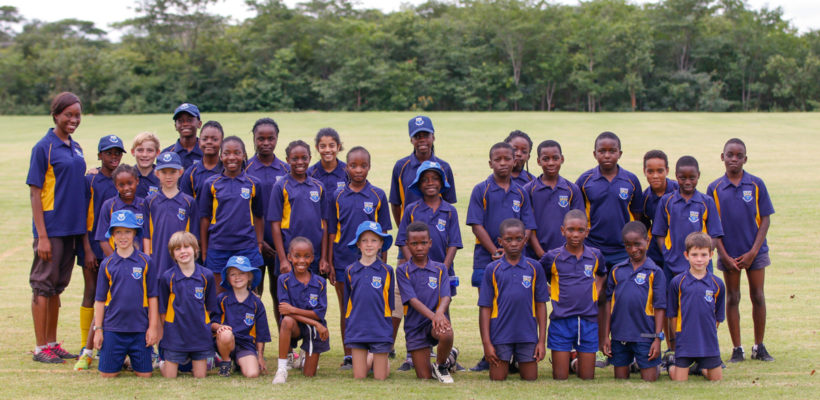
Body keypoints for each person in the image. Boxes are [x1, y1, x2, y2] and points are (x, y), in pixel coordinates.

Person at [27, 92, 86, 363]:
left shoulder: (76, 147)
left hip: (72, 230)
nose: (73, 119)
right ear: (56, 115)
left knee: (57, 288)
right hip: (51, 230)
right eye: (68, 114)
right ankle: (41, 349)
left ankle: (52, 343)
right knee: (42, 286)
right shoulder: (44, 147)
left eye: (77, 115)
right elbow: (35, 193)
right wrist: (42, 236)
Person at [467, 142, 536, 371]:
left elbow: (528, 226)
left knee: (516, 306)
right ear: (490, 163)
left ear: (515, 160)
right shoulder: (481, 189)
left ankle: (516, 356)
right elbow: (476, 224)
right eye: (498, 159)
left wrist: (514, 248)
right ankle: (491, 354)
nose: (504, 163)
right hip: (487, 259)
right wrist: (495, 251)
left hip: (518, 260)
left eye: (508, 158)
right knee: (490, 307)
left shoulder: (521, 191)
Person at [707, 138, 775, 362]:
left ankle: (759, 346)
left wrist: (754, 251)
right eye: (730, 155)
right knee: (733, 297)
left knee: (758, 296)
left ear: (745, 159)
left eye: (738, 156)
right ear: (722, 157)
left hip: (755, 251)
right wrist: (724, 255)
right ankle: (738, 348)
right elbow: (713, 226)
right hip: (729, 254)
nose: (734, 159)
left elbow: (765, 219)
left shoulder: (756, 184)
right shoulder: (715, 188)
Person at [326, 146, 391, 369]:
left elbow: (384, 232)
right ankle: (349, 353)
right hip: (344, 260)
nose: (358, 170)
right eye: (353, 165)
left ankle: (376, 349)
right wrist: (330, 261)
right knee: (348, 307)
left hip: (373, 263)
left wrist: (383, 262)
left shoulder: (377, 195)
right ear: (347, 167)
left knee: (373, 304)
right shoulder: (337, 195)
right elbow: (331, 232)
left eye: (363, 165)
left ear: (369, 167)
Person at [652, 156, 723, 355]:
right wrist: (666, 254)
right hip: (672, 265)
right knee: (671, 307)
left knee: (704, 307)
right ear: (676, 177)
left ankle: (707, 348)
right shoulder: (667, 201)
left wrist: (706, 257)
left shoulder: (706, 202)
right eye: (683, 178)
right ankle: (674, 349)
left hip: (700, 266)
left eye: (692, 177)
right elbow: (659, 232)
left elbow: (715, 234)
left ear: (698, 176)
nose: (687, 181)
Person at [74, 134, 124, 370]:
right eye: (108, 153)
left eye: (117, 153)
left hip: (119, 247)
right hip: (93, 247)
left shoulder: (125, 178)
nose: (113, 157)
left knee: (118, 295)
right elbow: (83, 215)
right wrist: (86, 249)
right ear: (99, 155)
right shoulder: (90, 180)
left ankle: (112, 342)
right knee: (93, 293)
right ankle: (87, 347)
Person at [478, 218, 548, 381]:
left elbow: (541, 305)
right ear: (500, 241)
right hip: (500, 334)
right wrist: (487, 344)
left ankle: (520, 360)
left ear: (525, 240)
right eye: (508, 240)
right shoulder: (492, 269)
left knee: (530, 378)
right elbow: (485, 308)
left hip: (527, 334)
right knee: (497, 379)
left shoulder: (534, 267)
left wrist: (541, 341)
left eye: (518, 239)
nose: (514, 243)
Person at [92, 210, 159, 378]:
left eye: (127, 231)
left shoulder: (145, 262)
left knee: (144, 375)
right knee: (108, 376)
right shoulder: (107, 264)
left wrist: (152, 327)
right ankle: (118, 359)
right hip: (113, 329)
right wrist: (99, 330)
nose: (123, 237)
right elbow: (100, 300)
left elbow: (152, 298)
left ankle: (130, 360)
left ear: (135, 233)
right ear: (112, 235)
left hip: (139, 330)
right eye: (118, 232)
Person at [541, 210, 607, 380]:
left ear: (587, 231)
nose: (575, 234)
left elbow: (602, 273)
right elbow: (537, 275)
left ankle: (575, 362)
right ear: (563, 231)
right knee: (560, 377)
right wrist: (551, 291)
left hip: (588, 321)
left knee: (587, 377)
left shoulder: (595, 255)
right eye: (571, 230)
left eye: (580, 230)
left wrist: (597, 291)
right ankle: (569, 362)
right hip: (561, 321)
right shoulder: (552, 257)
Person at [602, 221, 666, 381]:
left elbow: (660, 307)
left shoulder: (655, 272)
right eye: (628, 245)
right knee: (620, 379)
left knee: (650, 380)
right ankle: (632, 362)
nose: (633, 249)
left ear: (647, 241)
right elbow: (609, 305)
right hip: (620, 335)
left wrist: (657, 338)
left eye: (637, 244)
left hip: (646, 335)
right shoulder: (617, 271)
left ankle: (646, 363)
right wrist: (605, 336)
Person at [199, 136, 265, 286]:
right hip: (218, 247)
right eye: (227, 153)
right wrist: (205, 250)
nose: (232, 157)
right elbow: (204, 218)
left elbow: (259, 216)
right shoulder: (211, 184)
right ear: (221, 156)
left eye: (236, 153)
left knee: (248, 293)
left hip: (246, 246)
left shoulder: (254, 184)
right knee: (218, 294)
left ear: (243, 155)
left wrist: (259, 243)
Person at [397, 221, 456, 383]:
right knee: (424, 376)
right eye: (414, 244)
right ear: (408, 245)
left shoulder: (440, 268)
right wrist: (434, 316)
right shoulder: (403, 270)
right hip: (415, 327)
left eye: (423, 243)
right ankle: (450, 358)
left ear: (430, 243)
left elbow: (446, 296)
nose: (419, 247)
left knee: (446, 332)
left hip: (435, 323)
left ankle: (441, 364)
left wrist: (438, 314)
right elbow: (412, 300)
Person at [576, 131, 643, 270]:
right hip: (592, 246)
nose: (607, 155)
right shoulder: (585, 180)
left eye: (612, 151)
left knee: (621, 289)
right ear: (595, 154)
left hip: (623, 249)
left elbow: (637, 216)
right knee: (595, 289)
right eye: (602, 151)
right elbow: (577, 213)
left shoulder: (631, 180)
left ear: (620, 153)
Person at [157, 231, 217, 378]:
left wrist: (198, 322)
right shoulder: (167, 277)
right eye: (178, 249)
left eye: (186, 247)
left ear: (195, 249)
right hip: (175, 334)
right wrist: (169, 329)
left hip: (199, 334)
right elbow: (163, 310)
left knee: (200, 376)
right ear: (173, 254)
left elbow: (208, 308)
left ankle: (201, 360)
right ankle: (161, 363)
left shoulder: (207, 275)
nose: (183, 251)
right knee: (170, 377)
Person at [667, 232, 725, 381]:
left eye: (703, 255)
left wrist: (708, 331)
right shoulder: (677, 282)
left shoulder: (718, 284)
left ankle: (702, 368)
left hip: (708, 341)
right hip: (684, 340)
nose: (699, 259)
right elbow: (672, 315)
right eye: (695, 255)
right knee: (680, 381)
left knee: (716, 380)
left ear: (711, 255)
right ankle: (671, 366)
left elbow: (718, 316)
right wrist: (677, 338)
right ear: (686, 255)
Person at [272, 237, 330, 384]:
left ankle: (305, 354)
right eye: (297, 256)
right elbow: (285, 312)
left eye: (306, 256)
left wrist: (293, 310)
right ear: (289, 257)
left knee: (309, 374)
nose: (301, 260)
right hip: (295, 327)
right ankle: (282, 369)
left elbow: (318, 314)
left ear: (312, 258)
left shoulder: (320, 282)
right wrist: (316, 322)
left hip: (314, 329)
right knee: (287, 321)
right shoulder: (283, 280)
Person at [244, 117, 289, 306]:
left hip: (281, 244)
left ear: (277, 138)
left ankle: (284, 335)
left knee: (280, 294)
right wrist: (258, 241)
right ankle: (254, 336)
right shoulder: (244, 169)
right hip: (253, 243)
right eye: (260, 138)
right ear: (253, 138)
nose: (265, 143)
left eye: (270, 138)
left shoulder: (286, 169)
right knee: (253, 293)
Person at [343, 221, 395, 380]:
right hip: (358, 328)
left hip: (380, 328)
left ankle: (378, 357)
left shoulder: (387, 271)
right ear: (358, 244)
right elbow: (348, 301)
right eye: (364, 240)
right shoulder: (350, 270)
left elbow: (389, 303)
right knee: (359, 377)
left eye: (374, 240)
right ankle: (371, 357)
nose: (369, 244)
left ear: (381, 244)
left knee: (380, 378)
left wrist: (386, 326)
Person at [269, 140, 329, 276]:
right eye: (295, 159)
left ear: (310, 159)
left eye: (304, 158)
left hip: (314, 255)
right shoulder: (280, 186)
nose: (300, 162)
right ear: (287, 160)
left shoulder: (318, 186)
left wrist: (324, 258)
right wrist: (283, 259)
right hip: (291, 256)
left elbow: (324, 223)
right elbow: (275, 225)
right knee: (289, 295)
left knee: (314, 294)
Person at [524, 140, 583, 260]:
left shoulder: (572, 189)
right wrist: (541, 253)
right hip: (535, 255)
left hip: (565, 255)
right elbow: (527, 224)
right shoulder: (529, 189)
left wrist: (568, 252)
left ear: (562, 159)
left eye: (555, 158)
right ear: (538, 161)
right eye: (546, 159)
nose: (551, 163)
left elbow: (578, 223)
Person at [212, 256, 270, 378]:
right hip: (225, 342)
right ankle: (226, 361)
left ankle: (239, 363)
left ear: (249, 276)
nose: (237, 277)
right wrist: (221, 327)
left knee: (252, 374)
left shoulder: (256, 303)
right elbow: (211, 323)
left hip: (245, 344)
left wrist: (260, 356)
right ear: (228, 278)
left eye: (242, 273)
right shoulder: (222, 299)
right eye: (233, 274)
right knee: (226, 334)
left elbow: (261, 333)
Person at [144, 151, 198, 276]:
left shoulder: (189, 202)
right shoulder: (150, 201)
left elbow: (193, 236)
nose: (168, 176)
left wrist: (191, 261)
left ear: (180, 172)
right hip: (157, 259)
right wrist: (147, 260)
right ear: (157, 173)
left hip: (182, 260)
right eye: (164, 172)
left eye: (173, 172)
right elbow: (146, 234)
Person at [95, 164, 149, 257]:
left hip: (138, 262)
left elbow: (147, 236)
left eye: (129, 183)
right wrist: (115, 261)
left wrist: (143, 260)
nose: (126, 188)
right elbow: (102, 239)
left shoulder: (144, 205)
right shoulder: (109, 206)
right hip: (114, 262)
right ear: (116, 186)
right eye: (121, 185)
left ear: (137, 181)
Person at [639, 150, 678, 272]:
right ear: (644, 171)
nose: (655, 176)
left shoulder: (679, 190)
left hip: (679, 247)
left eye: (660, 171)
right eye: (650, 171)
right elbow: (644, 226)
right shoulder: (645, 198)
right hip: (656, 251)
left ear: (667, 170)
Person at [180, 121, 224, 199]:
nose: (209, 142)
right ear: (199, 142)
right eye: (205, 139)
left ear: (222, 142)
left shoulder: (228, 170)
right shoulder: (190, 173)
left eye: (214, 139)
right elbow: (185, 204)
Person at [307, 127, 348, 196]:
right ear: (317, 148)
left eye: (331, 146)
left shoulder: (348, 171)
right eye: (323, 146)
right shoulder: (309, 173)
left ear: (338, 147)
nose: (327, 150)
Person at [162, 103, 203, 169]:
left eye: (189, 120)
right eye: (180, 121)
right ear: (175, 126)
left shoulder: (206, 152)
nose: (185, 124)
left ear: (199, 124)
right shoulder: (166, 153)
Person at [132, 132, 161, 198]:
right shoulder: (127, 175)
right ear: (133, 152)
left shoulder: (162, 177)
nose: (144, 155)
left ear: (157, 153)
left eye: (150, 150)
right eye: (140, 150)